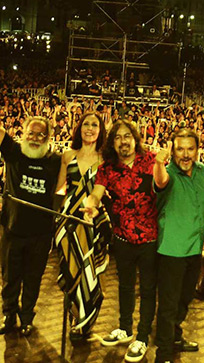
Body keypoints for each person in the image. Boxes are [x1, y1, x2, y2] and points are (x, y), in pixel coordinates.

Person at [0, 72, 61, 337]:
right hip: (12, 229)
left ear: (48, 137)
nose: (36, 137)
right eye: (31, 132)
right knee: (9, 279)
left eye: (41, 134)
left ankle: (27, 317)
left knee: (33, 280)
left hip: (39, 233)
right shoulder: (14, 154)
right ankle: (8, 315)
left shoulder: (54, 161)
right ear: (23, 133)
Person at [83, 119, 158, 363]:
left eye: (127, 136)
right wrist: (91, 204)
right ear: (112, 143)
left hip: (150, 238)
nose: (123, 141)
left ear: (135, 139)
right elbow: (97, 192)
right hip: (122, 237)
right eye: (117, 137)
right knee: (125, 285)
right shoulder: (107, 168)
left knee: (147, 289)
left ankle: (143, 337)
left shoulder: (151, 161)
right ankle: (125, 329)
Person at [153, 128, 204, 363]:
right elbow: (160, 181)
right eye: (180, 149)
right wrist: (158, 163)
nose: (185, 154)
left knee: (185, 299)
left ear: (197, 150)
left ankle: (175, 337)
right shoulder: (167, 173)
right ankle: (163, 354)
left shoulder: (202, 171)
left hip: (195, 249)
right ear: (172, 151)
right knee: (168, 305)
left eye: (190, 149)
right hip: (171, 250)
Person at [55, 111, 110, 340]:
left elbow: (106, 190)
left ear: (100, 130)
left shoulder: (105, 159)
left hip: (93, 220)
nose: (89, 128)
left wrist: (94, 205)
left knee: (89, 270)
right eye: (86, 124)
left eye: (94, 125)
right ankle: (74, 317)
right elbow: (59, 187)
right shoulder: (68, 155)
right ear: (79, 128)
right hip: (69, 220)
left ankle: (86, 321)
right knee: (71, 270)